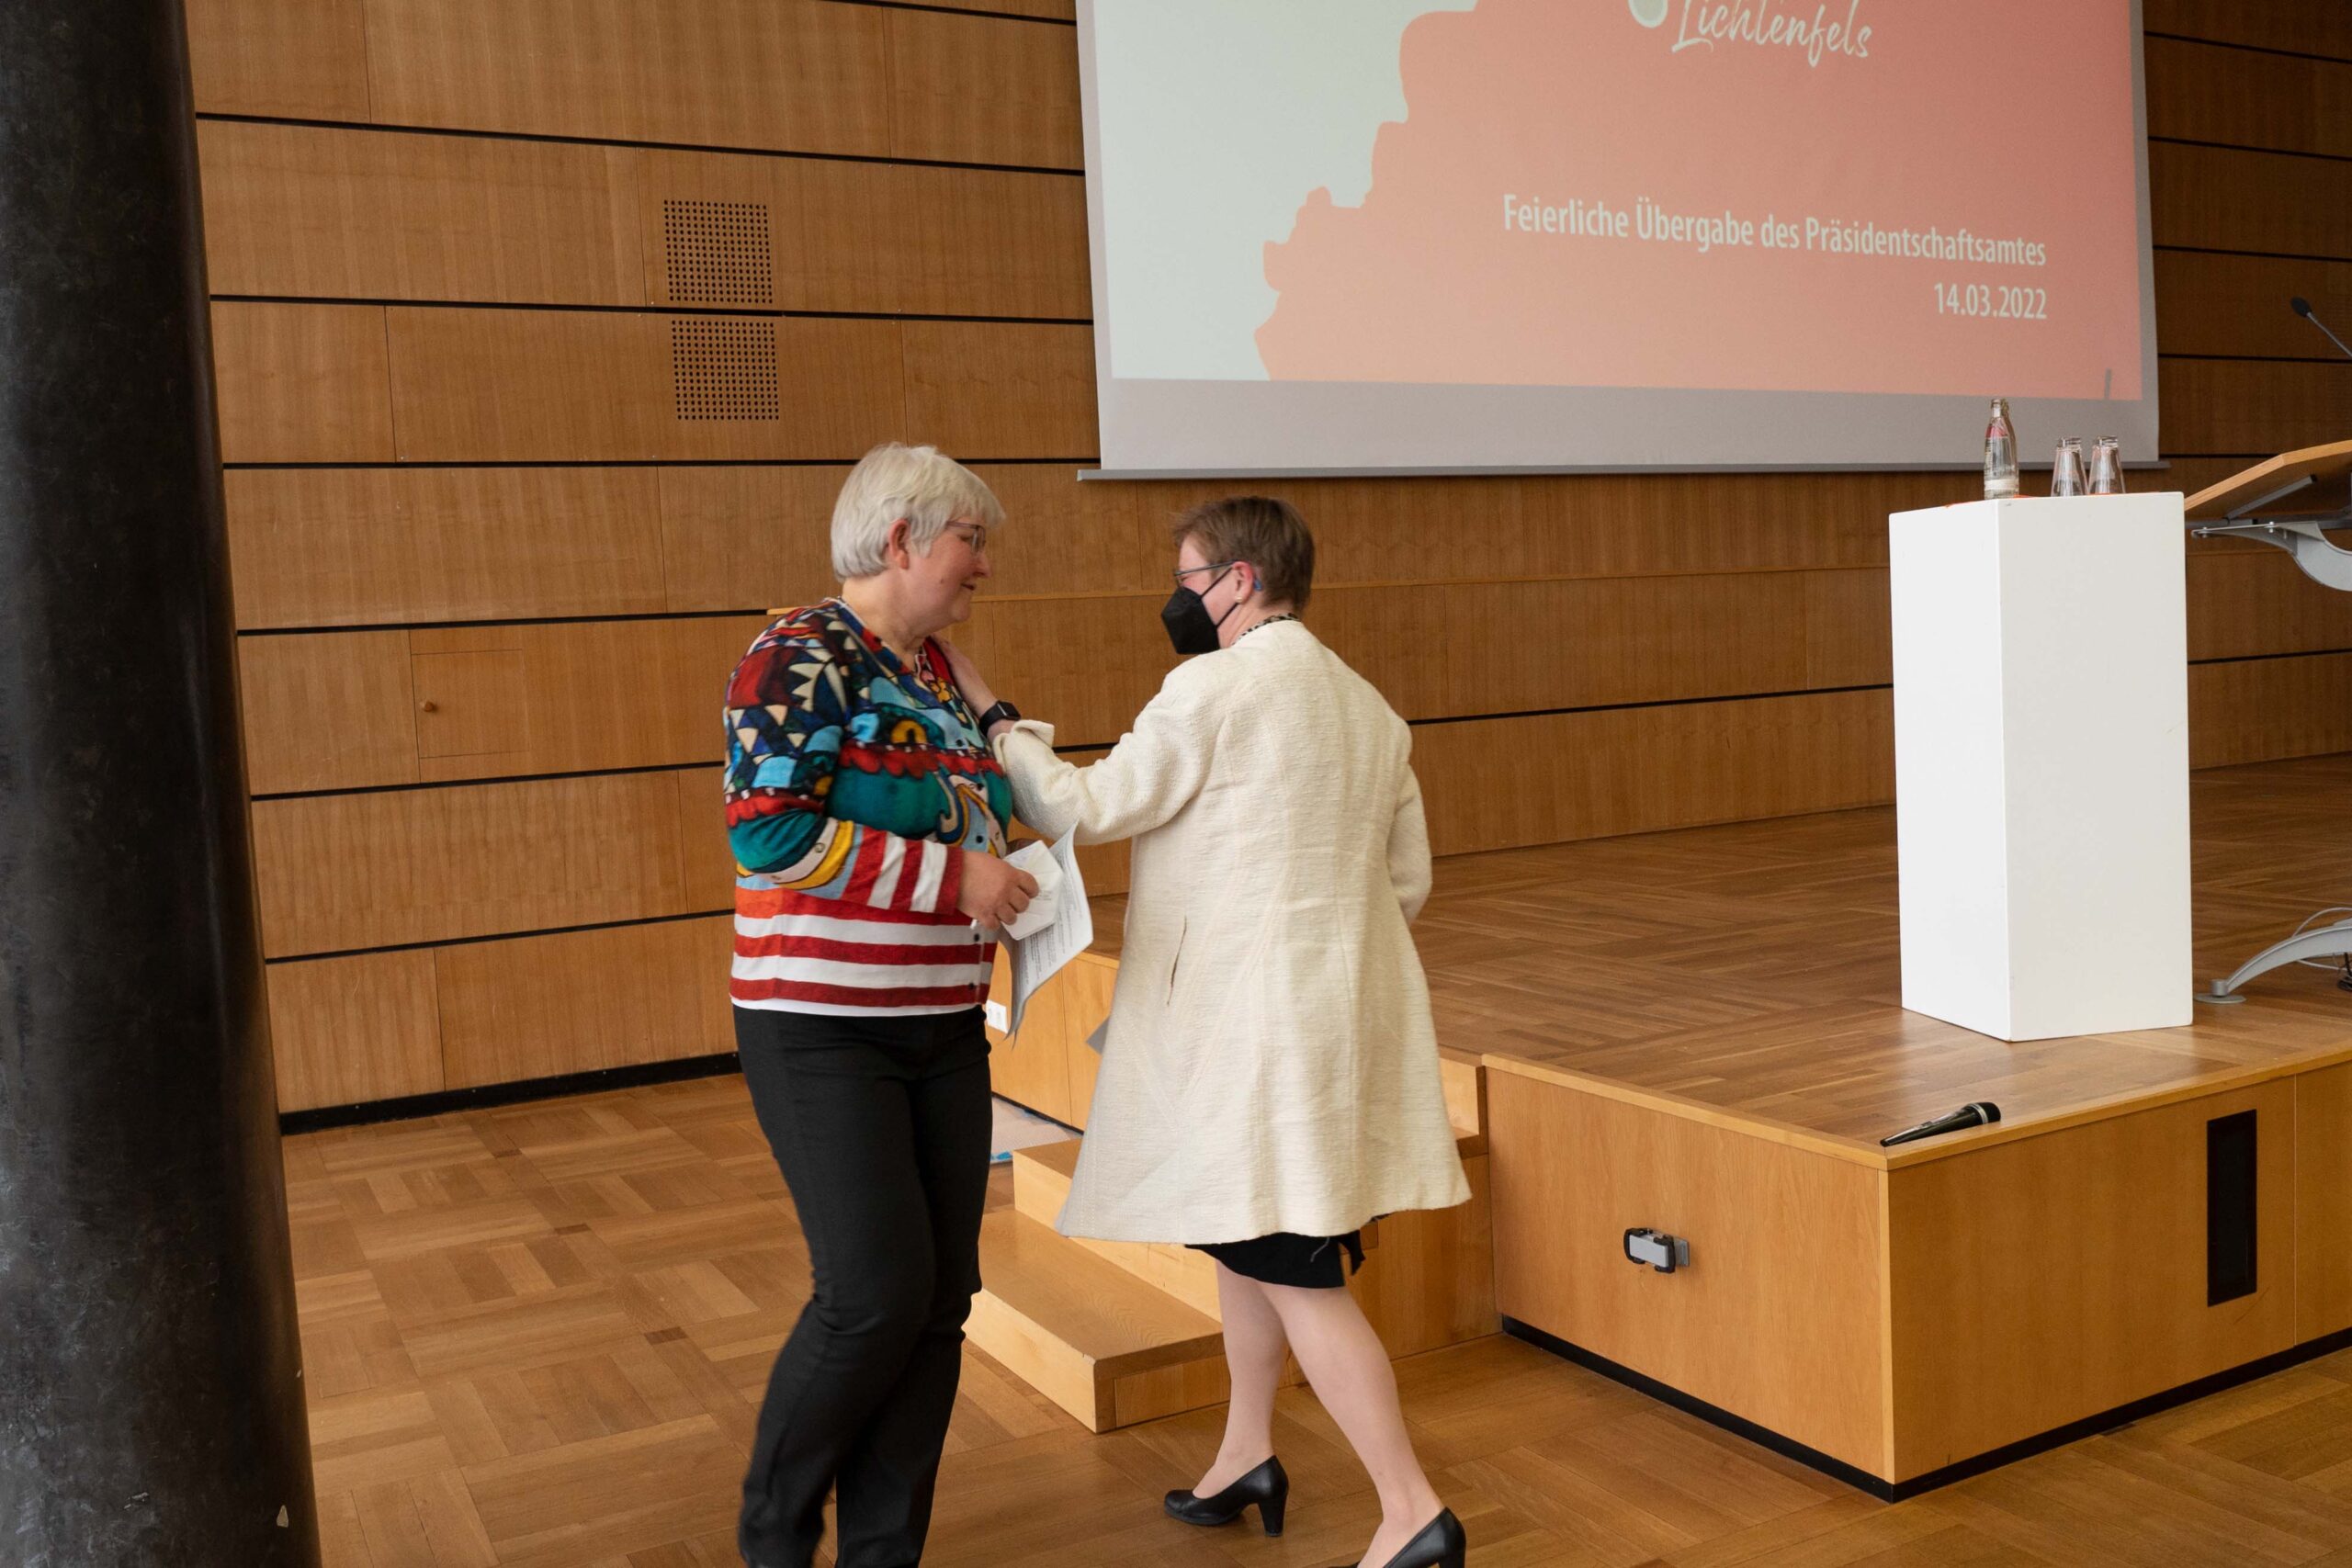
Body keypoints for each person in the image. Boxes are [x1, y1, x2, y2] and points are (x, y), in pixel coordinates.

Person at [943, 496, 1471, 1568]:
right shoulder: (1370, 708)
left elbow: (1087, 807)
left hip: (1245, 1033)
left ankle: (1412, 1511)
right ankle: (1245, 1455)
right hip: (1330, 1023)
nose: (1177, 596)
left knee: (1291, 1263)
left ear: (1236, 580)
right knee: (1250, 1239)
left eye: (1187, 577)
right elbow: (1404, 882)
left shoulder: (1211, 686)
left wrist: (998, 720)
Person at [721, 442, 1038, 1568]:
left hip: (941, 1024)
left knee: (940, 1297)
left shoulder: (933, 668)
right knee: (871, 1296)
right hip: (820, 1026)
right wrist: (956, 879)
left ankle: (882, 1555)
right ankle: (773, 1532)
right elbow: (769, 831)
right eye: (971, 541)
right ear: (901, 541)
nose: (984, 566)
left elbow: (988, 795)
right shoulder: (796, 653)